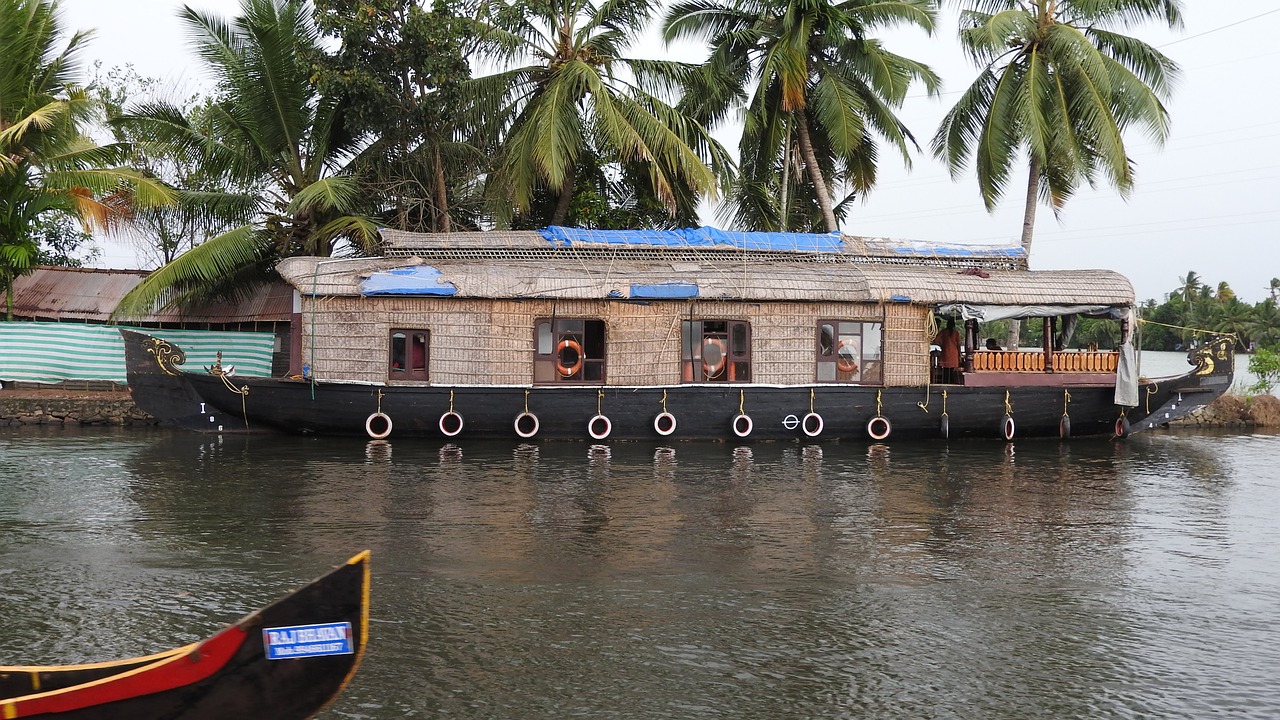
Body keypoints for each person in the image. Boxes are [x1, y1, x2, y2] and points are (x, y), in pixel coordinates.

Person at [935, 317, 961, 382]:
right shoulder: (956, 333)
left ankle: (945, 381)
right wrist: (959, 355)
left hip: (946, 352)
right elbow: (958, 345)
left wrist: (941, 345)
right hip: (954, 352)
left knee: (945, 369)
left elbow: (936, 340)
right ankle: (952, 382)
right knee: (952, 369)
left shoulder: (944, 332)